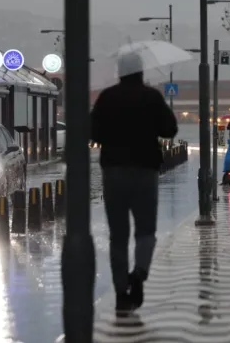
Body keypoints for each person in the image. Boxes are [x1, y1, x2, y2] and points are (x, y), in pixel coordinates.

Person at [90, 53, 178, 316]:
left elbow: (93, 133)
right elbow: (170, 129)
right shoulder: (151, 97)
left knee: (118, 236)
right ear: (141, 71)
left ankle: (120, 293)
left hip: (114, 171)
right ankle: (139, 273)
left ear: (120, 72)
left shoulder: (107, 98)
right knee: (146, 230)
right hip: (145, 171)